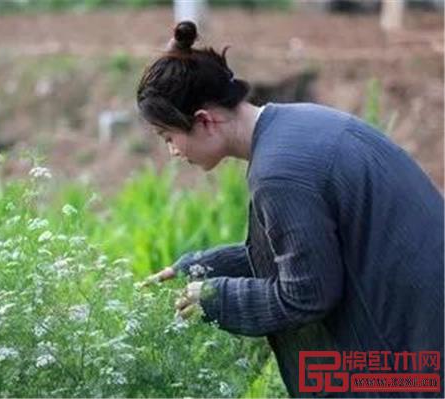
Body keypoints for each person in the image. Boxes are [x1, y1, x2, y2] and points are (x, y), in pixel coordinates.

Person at [136, 21, 444, 398]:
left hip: (415, 372)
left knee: (329, 379)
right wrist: (197, 269)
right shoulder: (294, 125)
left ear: (204, 120)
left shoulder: (278, 174)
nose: (173, 153)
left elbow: (307, 294)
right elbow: (305, 257)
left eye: (170, 138)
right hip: (421, 344)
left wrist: (214, 299)